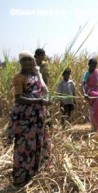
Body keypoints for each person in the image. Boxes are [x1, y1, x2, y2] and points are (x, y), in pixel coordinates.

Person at [6, 50, 51, 187]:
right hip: (25, 118)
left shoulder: (36, 76)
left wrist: (38, 74)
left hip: (38, 115)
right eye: (24, 60)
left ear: (33, 61)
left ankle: (35, 172)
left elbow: (44, 91)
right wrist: (39, 101)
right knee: (24, 145)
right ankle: (21, 177)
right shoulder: (18, 78)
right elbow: (18, 98)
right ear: (20, 63)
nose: (27, 62)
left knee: (38, 142)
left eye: (29, 59)